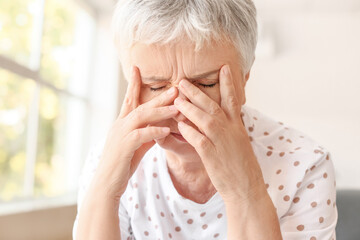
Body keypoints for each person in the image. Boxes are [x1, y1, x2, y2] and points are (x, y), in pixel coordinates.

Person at [73, 0, 338, 239]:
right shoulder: (105, 158)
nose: (180, 110)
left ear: (244, 77)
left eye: (205, 84)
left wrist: (245, 190)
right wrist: (106, 190)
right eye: (155, 87)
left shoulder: (305, 165)